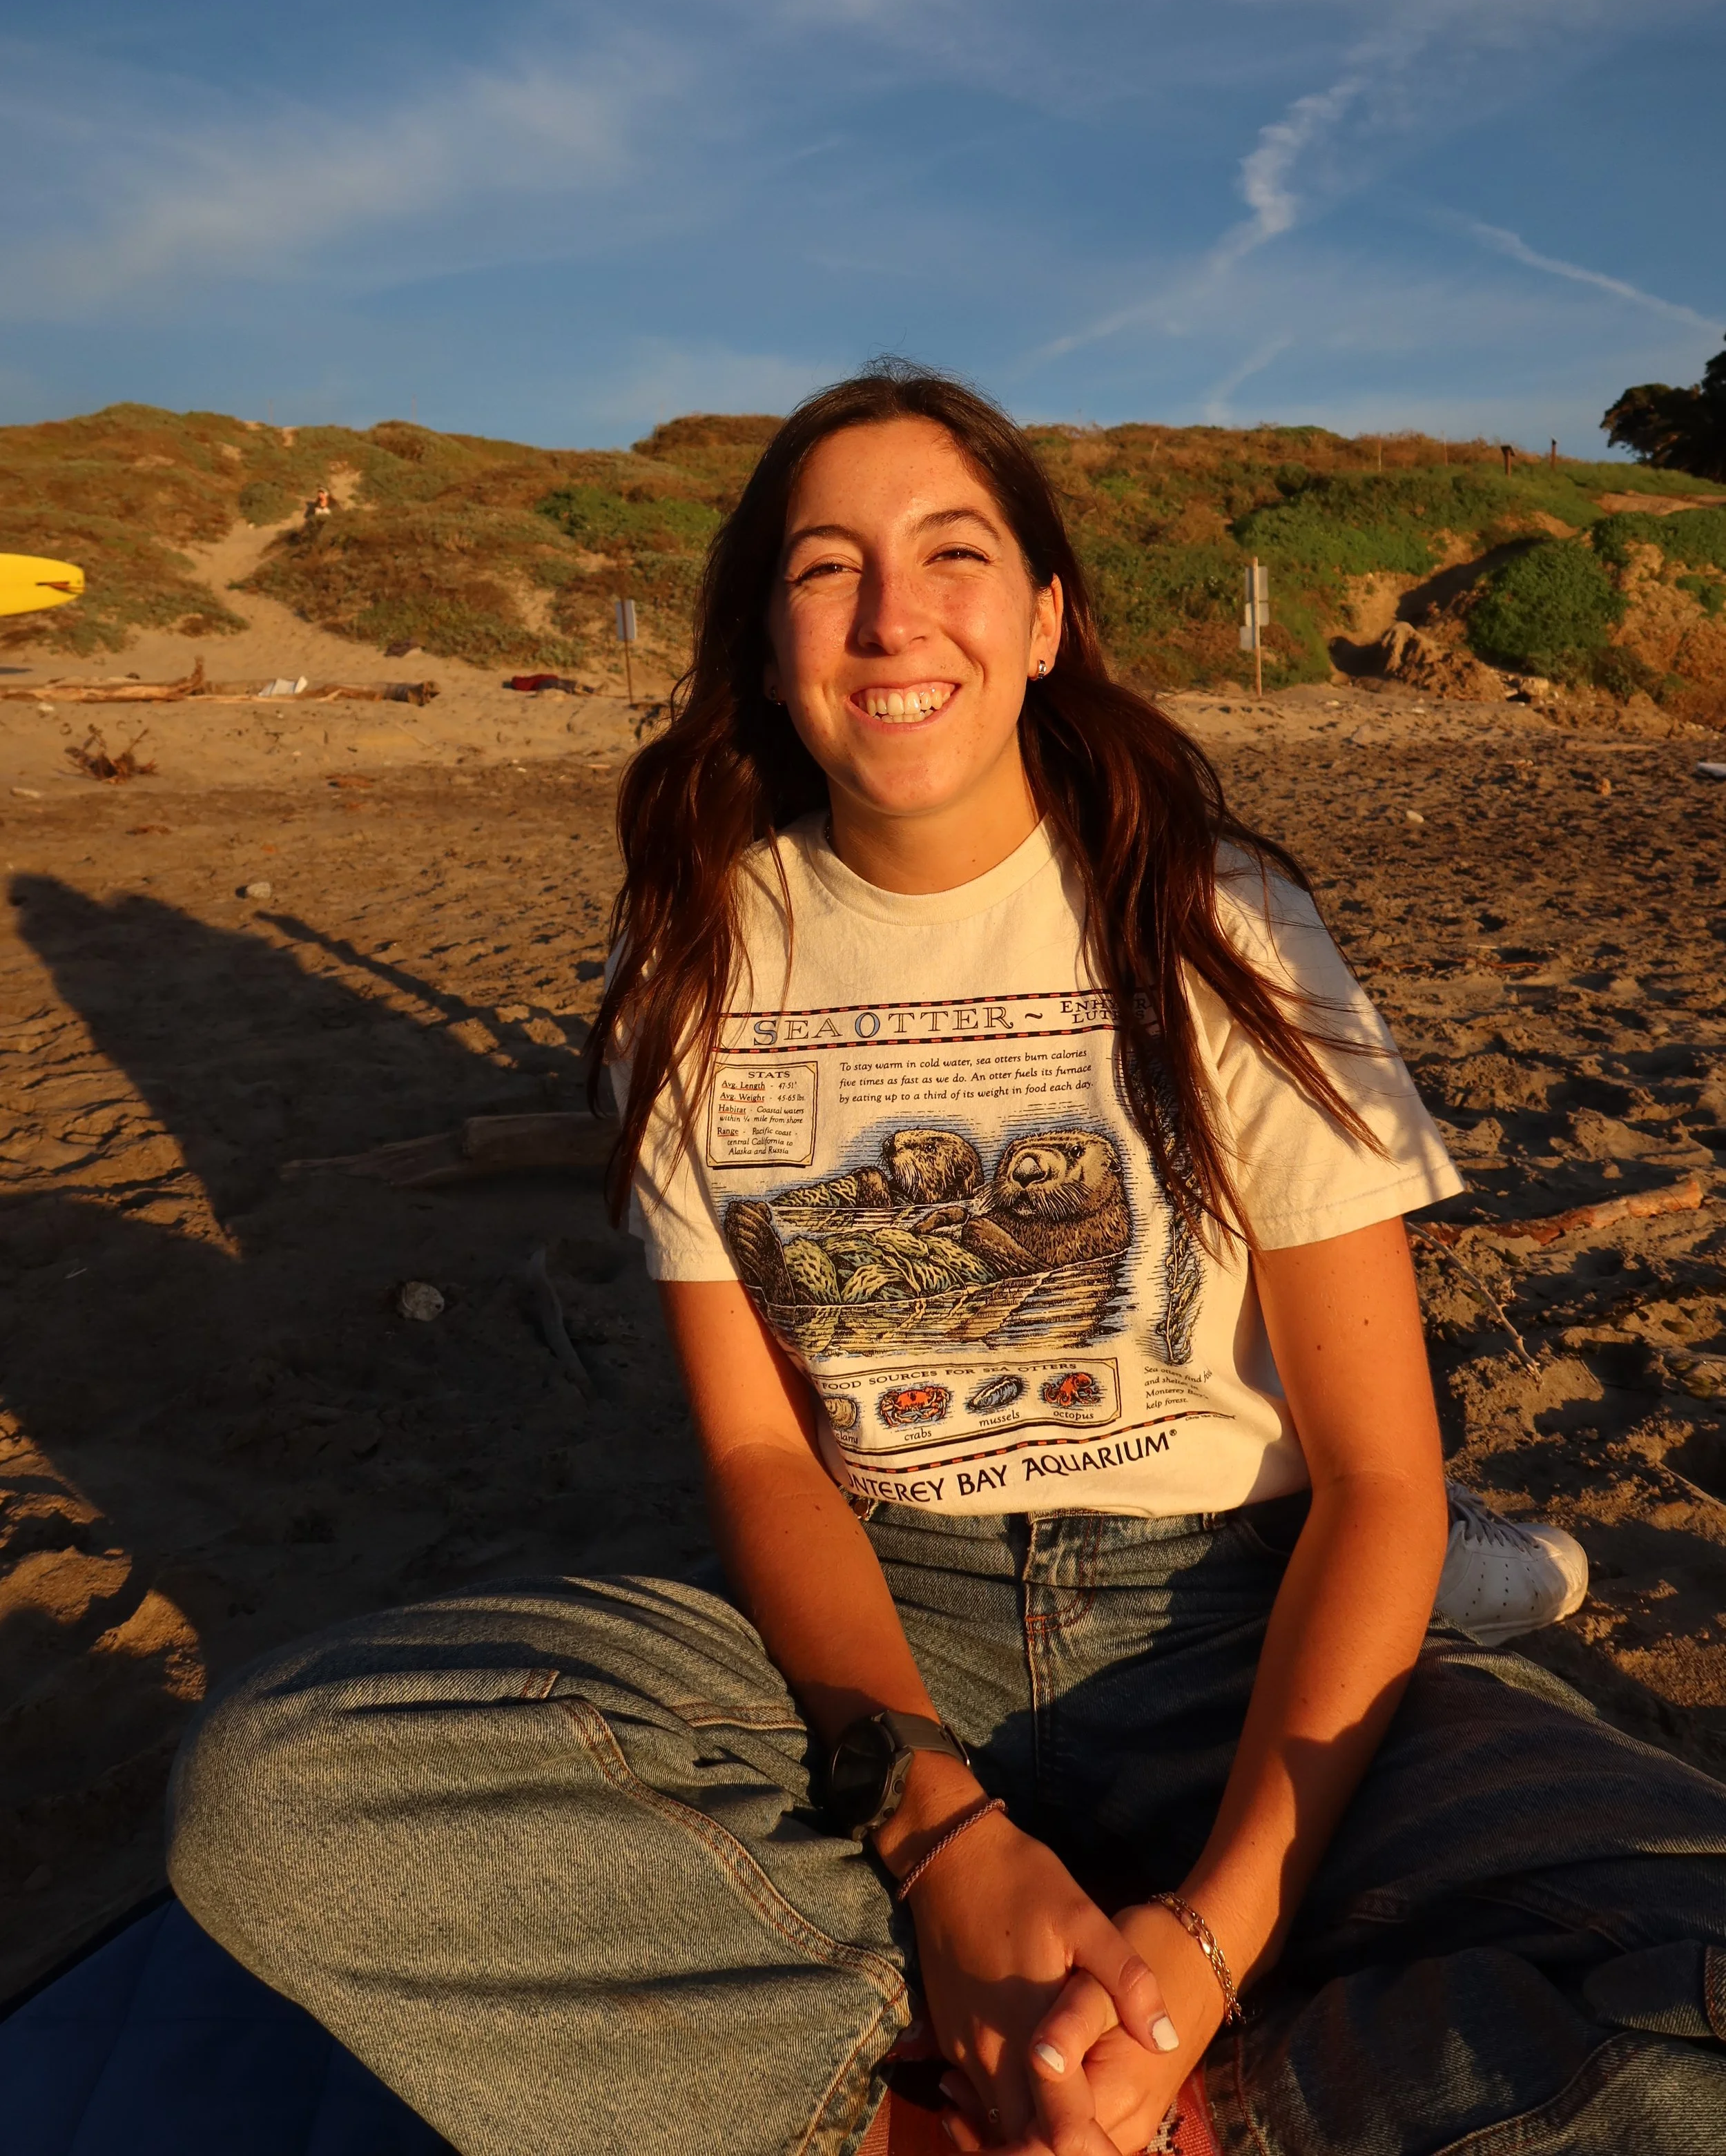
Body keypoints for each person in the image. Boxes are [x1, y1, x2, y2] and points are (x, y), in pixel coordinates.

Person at [169, 367, 1726, 2156]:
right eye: (826, 565)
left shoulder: (1215, 927)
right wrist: (941, 1833)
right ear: (761, 640)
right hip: (868, 1634)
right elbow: (761, 1456)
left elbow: (1382, 1477)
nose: (894, 612)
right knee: (279, 1794)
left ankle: (1145, 2102)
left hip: (1230, 1609)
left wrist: (1213, 1949)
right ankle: (999, 2082)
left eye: (953, 551)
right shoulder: (700, 964)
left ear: (1048, 613)